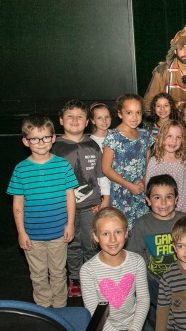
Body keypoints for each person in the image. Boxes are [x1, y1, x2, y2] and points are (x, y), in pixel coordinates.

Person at [7, 114, 78, 308]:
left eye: (46, 137)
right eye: (34, 139)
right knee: (38, 274)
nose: (41, 142)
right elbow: (18, 204)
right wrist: (21, 232)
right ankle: (44, 309)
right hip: (33, 235)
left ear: (53, 138)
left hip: (58, 233)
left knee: (58, 272)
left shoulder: (63, 165)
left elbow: (70, 197)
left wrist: (70, 224)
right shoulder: (20, 170)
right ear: (25, 141)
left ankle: (61, 309)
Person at [52, 100, 110, 297]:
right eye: (70, 116)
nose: (75, 120)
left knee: (91, 242)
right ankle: (75, 278)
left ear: (87, 122)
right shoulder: (54, 147)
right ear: (61, 121)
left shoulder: (93, 144)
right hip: (64, 208)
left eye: (80, 117)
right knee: (72, 243)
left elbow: (102, 175)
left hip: (91, 206)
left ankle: (93, 276)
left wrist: (106, 199)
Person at [128, 175, 185, 331]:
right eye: (157, 197)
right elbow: (135, 257)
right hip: (153, 282)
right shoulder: (143, 224)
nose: (164, 203)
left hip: (181, 281)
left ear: (177, 199)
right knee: (155, 321)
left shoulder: (183, 221)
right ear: (148, 200)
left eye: (169, 197)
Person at [80, 207, 149, 331]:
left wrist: (134, 328)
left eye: (118, 232)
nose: (113, 239)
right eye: (105, 233)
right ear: (96, 236)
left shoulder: (137, 261)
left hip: (134, 324)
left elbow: (143, 299)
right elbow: (93, 310)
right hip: (103, 327)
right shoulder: (88, 270)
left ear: (126, 233)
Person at [102, 94, 154, 230]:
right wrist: (129, 185)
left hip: (142, 192)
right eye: (129, 113)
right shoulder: (113, 137)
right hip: (121, 194)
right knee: (122, 230)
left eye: (138, 113)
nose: (134, 117)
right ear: (120, 114)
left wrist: (143, 181)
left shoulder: (145, 135)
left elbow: (149, 165)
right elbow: (106, 169)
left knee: (142, 231)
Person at [144, 25, 186, 112]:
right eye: (181, 48)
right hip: (168, 114)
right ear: (175, 51)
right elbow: (150, 100)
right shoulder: (163, 71)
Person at [145, 120, 186, 215]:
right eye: (169, 136)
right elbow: (149, 187)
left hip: (181, 209)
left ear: (183, 140)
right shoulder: (154, 161)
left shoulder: (185, 160)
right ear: (161, 138)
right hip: (160, 208)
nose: (174, 141)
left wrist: (185, 209)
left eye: (178, 137)